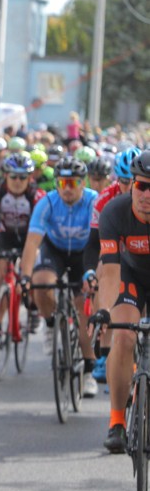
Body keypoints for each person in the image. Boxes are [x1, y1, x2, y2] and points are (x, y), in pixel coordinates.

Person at [18, 156, 98, 397]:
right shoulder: (48, 203)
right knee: (40, 284)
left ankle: (88, 370)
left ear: (83, 184)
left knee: (83, 309)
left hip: (85, 253)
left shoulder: (94, 202)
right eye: (62, 183)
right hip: (56, 251)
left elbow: (102, 243)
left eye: (73, 183)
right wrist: (25, 277)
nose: (68, 189)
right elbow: (33, 242)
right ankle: (51, 324)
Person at [91, 150, 150, 453]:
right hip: (130, 275)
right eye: (142, 186)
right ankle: (117, 422)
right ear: (131, 185)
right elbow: (110, 272)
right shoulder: (115, 212)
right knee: (124, 335)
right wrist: (104, 311)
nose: (147, 194)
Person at [82, 146, 140, 384]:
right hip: (113, 250)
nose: (130, 187)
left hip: (141, 254)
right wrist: (89, 272)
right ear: (117, 179)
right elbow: (93, 243)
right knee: (101, 276)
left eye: (136, 181)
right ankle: (104, 353)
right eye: (125, 181)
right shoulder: (104, 199)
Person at [0, 153, 45, 336]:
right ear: (6, 175)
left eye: (23, 177)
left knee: (28, 273)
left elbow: (44, 225)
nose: (18, 181)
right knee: (0, 276)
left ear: (30, 178)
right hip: (6, 236)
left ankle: (33, 310)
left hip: (29, 238)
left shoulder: (37, 195)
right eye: (13, 176)